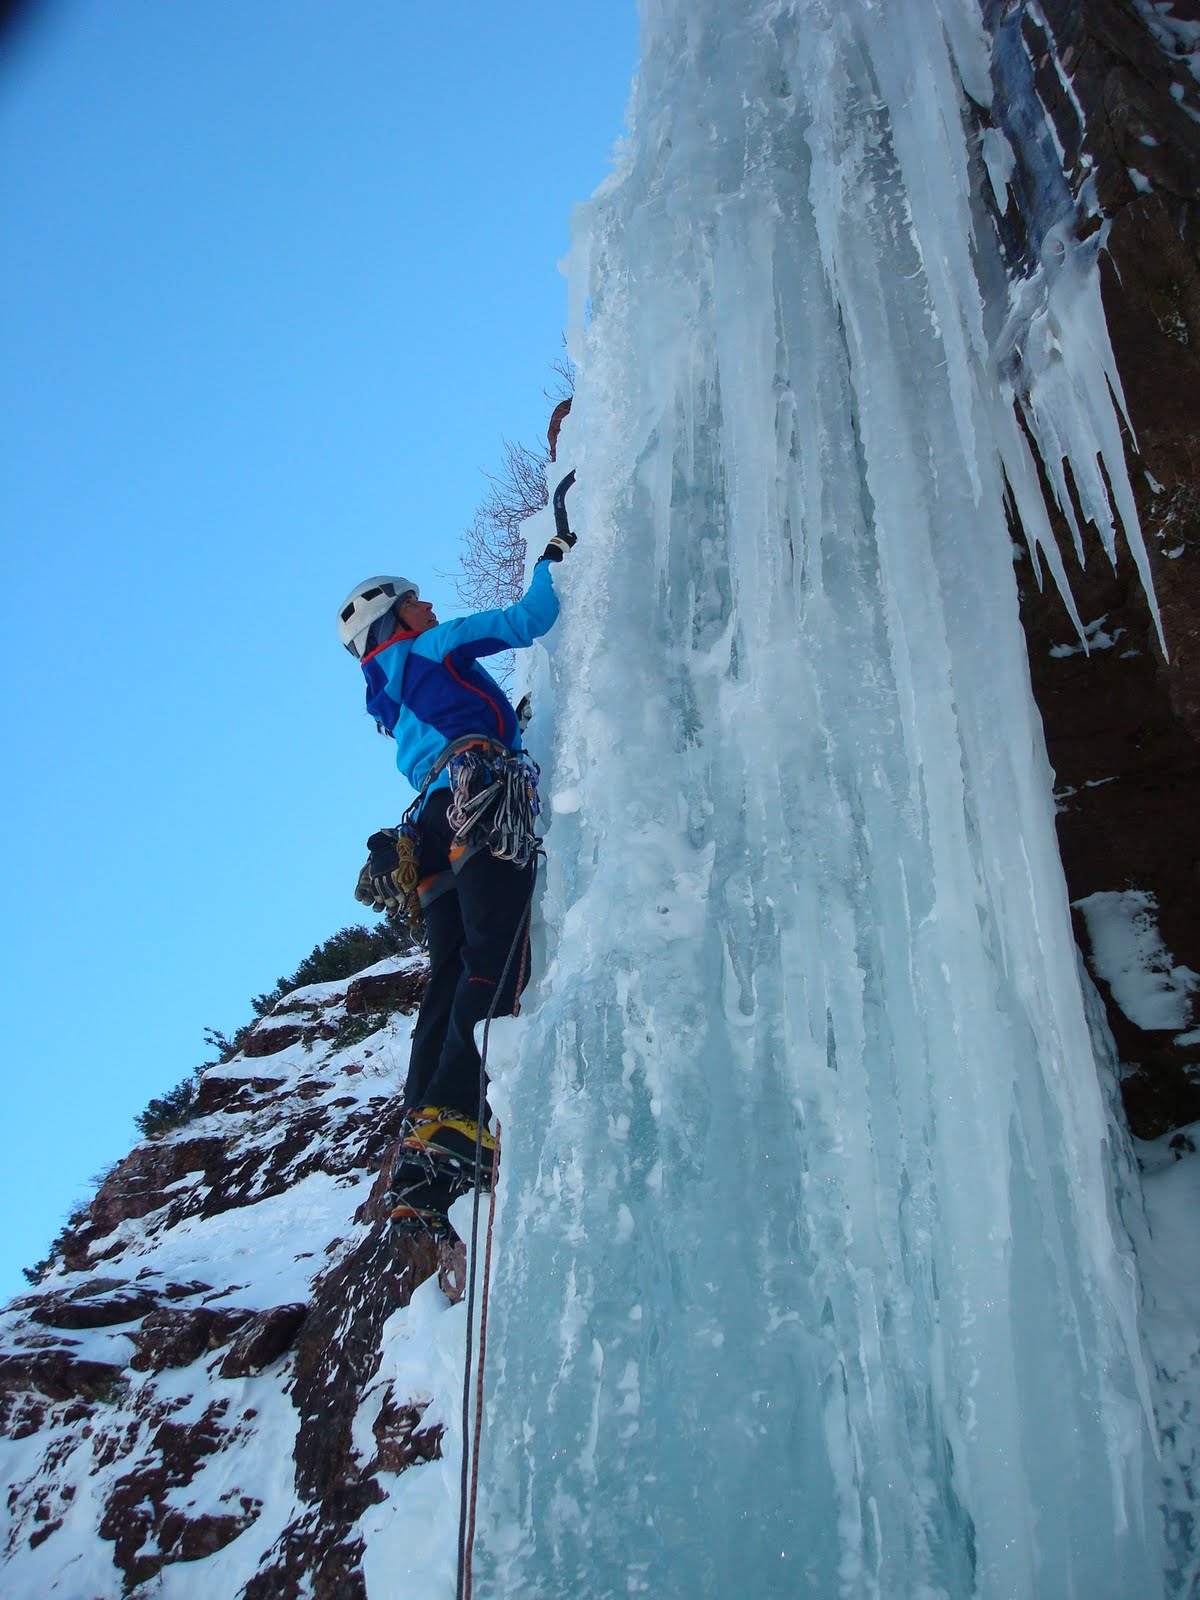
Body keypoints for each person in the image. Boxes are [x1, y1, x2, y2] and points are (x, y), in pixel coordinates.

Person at [337, 500, 576, 1236]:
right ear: (397, 620)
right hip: (477, 797)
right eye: (416, 601)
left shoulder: (386, 694)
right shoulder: (433, 646)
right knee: (493, 954)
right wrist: (555, 556)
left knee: (447, 976)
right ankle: (458, 1111)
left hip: (430, 829)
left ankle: (420, 1146)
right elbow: (527, 620)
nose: (429, 603)